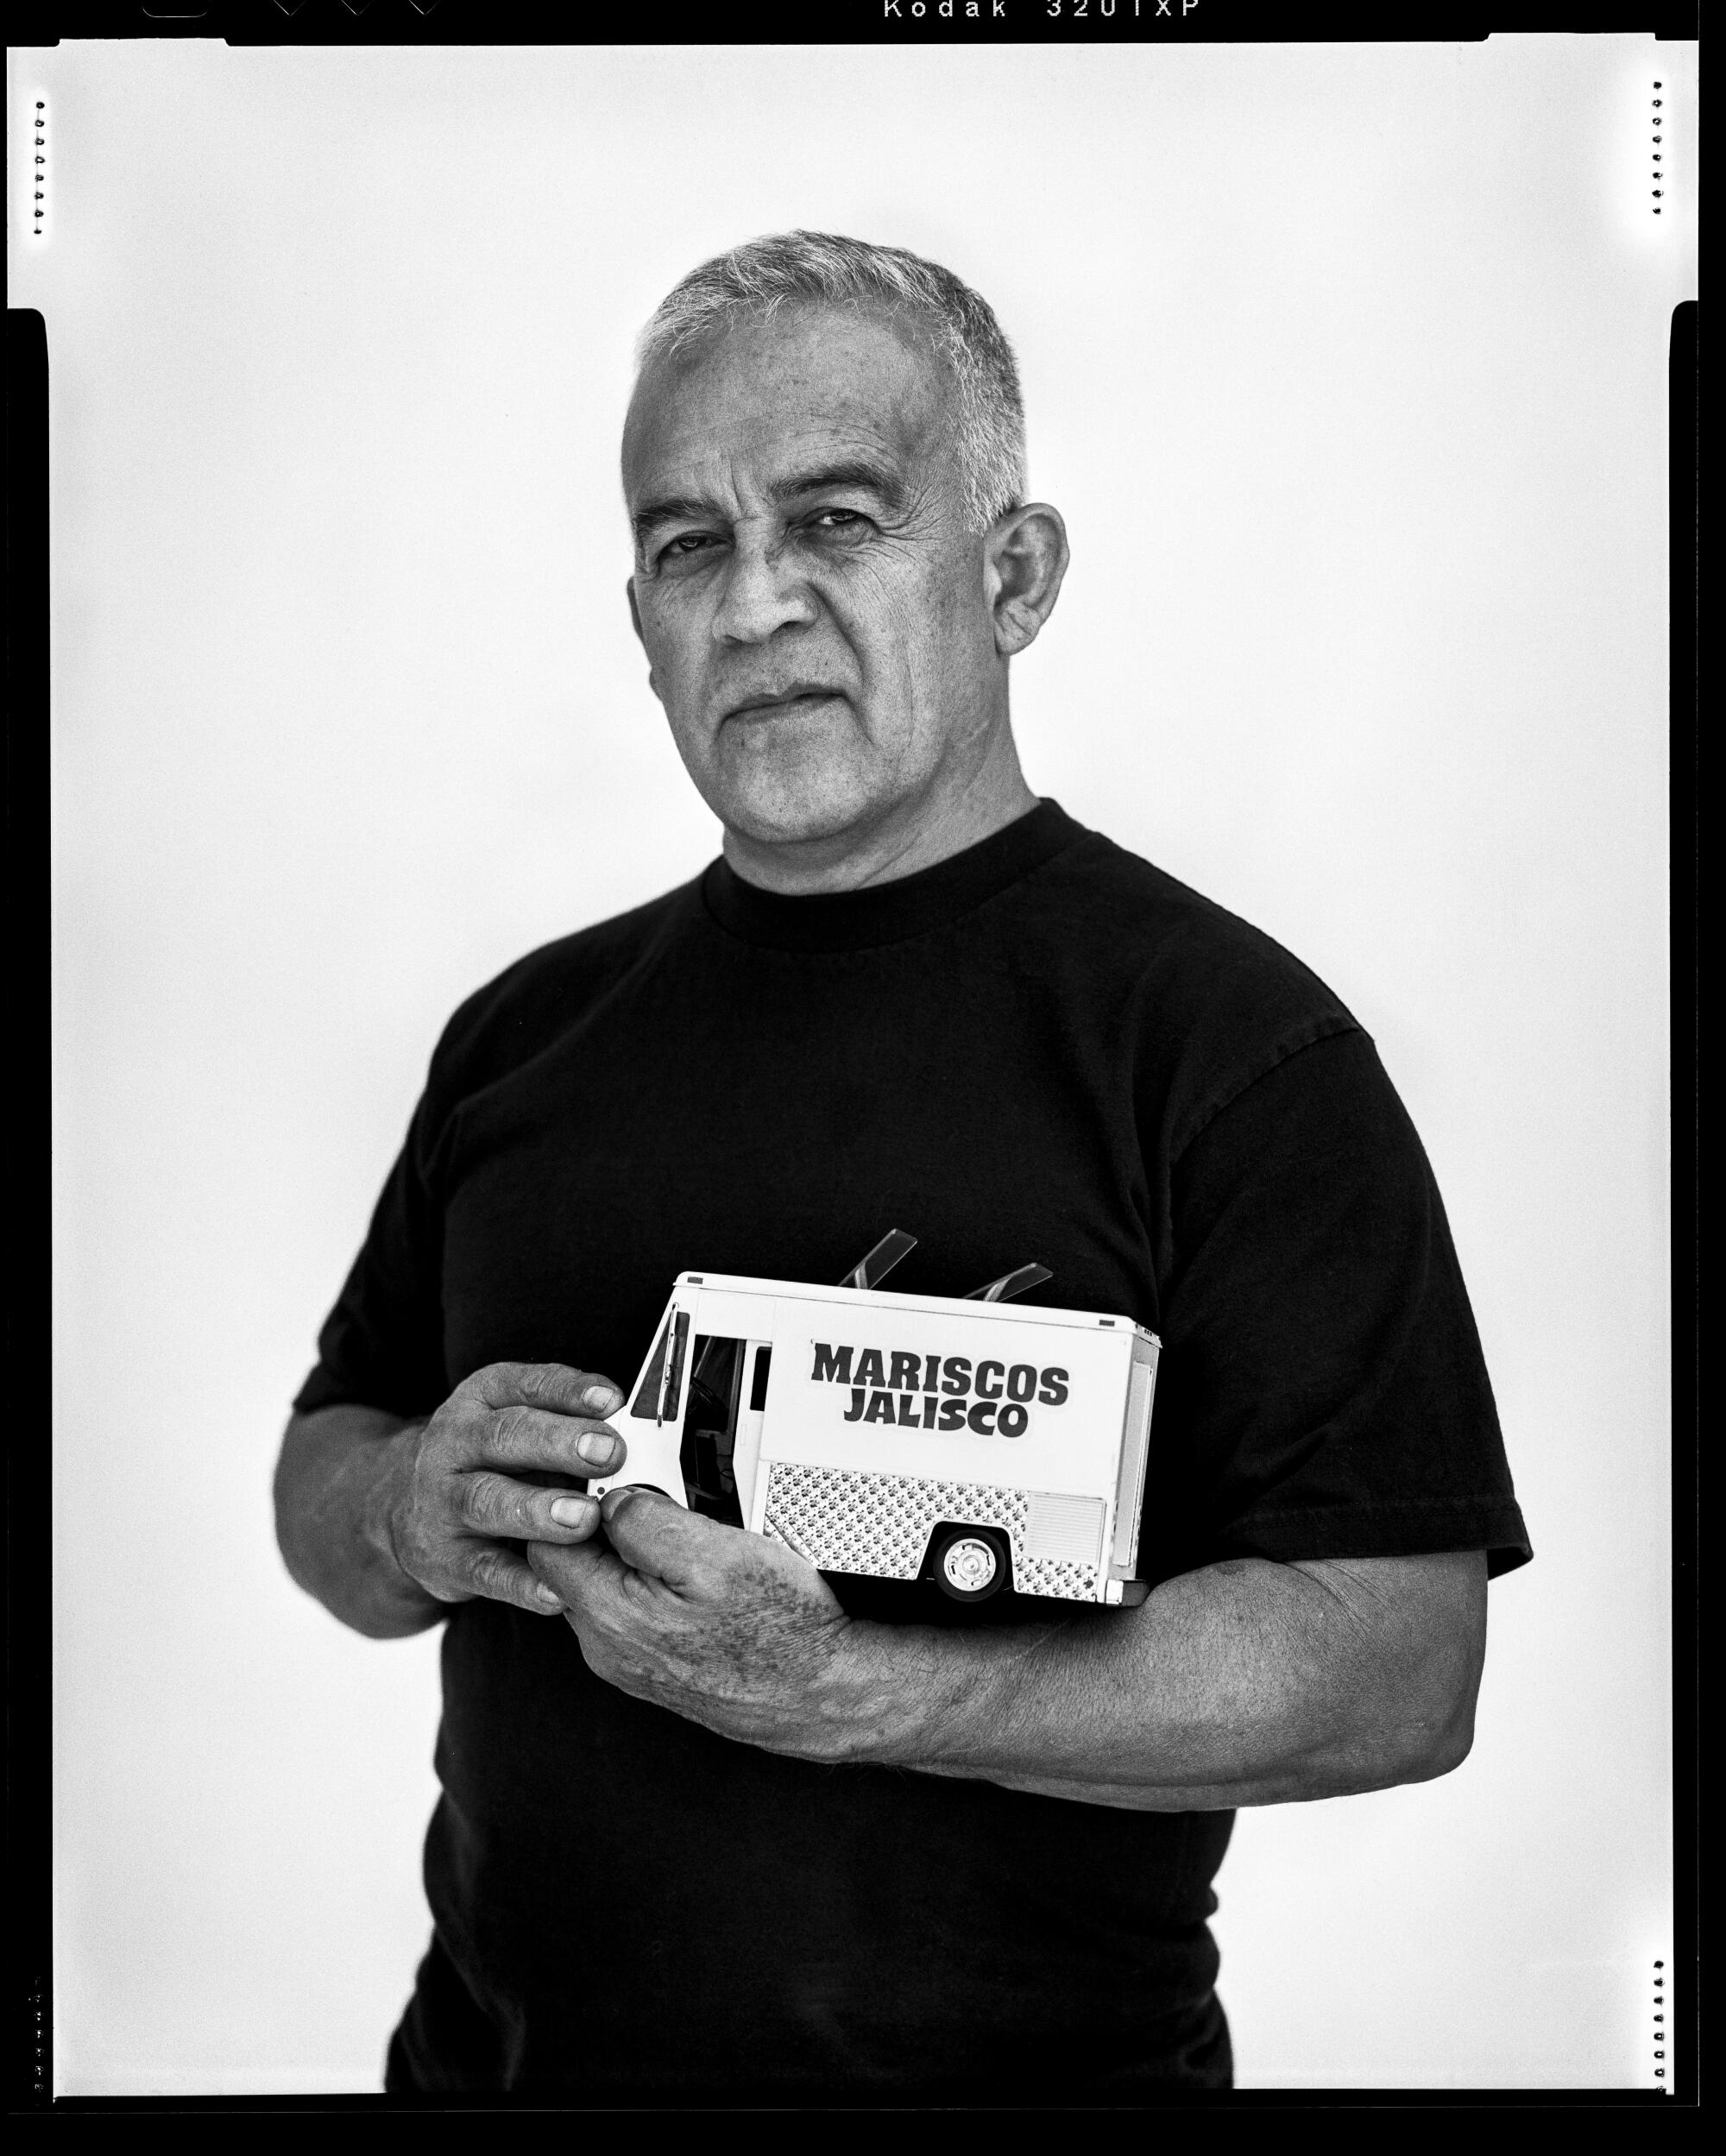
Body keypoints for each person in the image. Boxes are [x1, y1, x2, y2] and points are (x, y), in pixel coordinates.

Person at [274, 230, 1530, 2105]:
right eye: (690, 545)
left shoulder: (1225, 1052)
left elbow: (1400, 1670)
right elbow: (328, 1478)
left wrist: (863, 1694)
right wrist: (403, 1511)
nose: (758, 604)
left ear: (1012, 574)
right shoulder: (522, 1036)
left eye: (838, 520)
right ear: (640, 623)